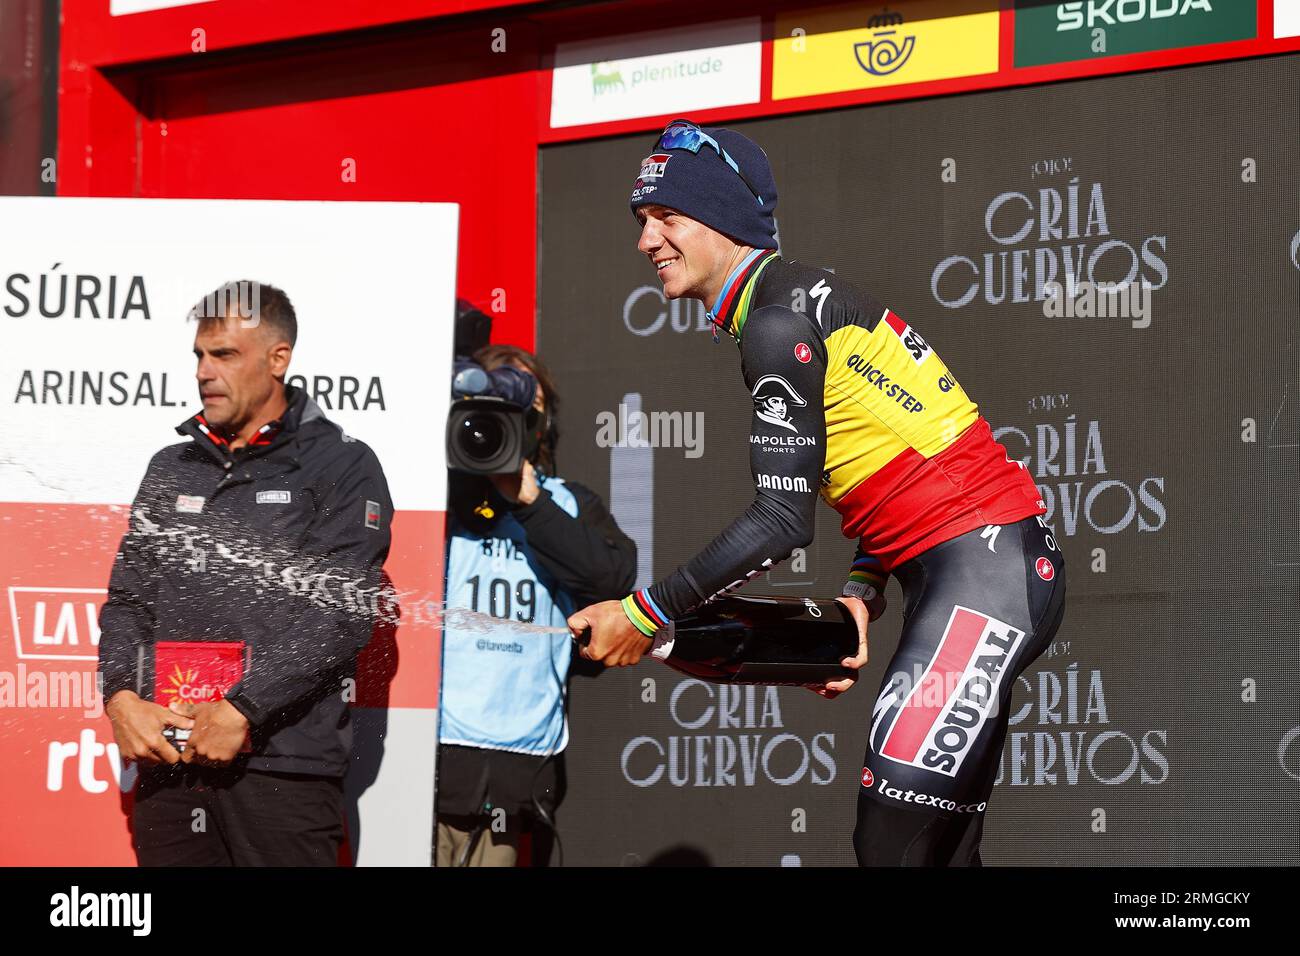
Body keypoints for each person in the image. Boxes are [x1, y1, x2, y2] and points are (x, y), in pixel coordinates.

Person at [568, 119, 1067, 867]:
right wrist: (864, 590)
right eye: (642, 222)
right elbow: (899, 450)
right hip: (981, 571)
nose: (647, 241)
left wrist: (646, 613)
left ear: (725, 220)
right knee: (940, 852)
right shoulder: (793, 301)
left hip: (983, 579)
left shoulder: (776, 322)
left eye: (666, 218)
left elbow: (779, 523)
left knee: (890, 845)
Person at [98, 281, 393, 866]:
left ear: (278, 359)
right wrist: (120, 695)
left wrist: (245, 708)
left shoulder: (341, 464)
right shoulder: (171, 467)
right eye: (200, 356)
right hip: (172, 766)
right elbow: (129, 601)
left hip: (281, 769)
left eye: (225, 355)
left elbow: (340, 609)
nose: (206, 371)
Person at [437, 342, 636, 867]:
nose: (509, 420)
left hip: (520, 758)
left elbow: (614, 577)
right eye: (493, 405)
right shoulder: (437, 498)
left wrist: (528, 502)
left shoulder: (567, 502)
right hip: (432, 751)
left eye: (528, 407)